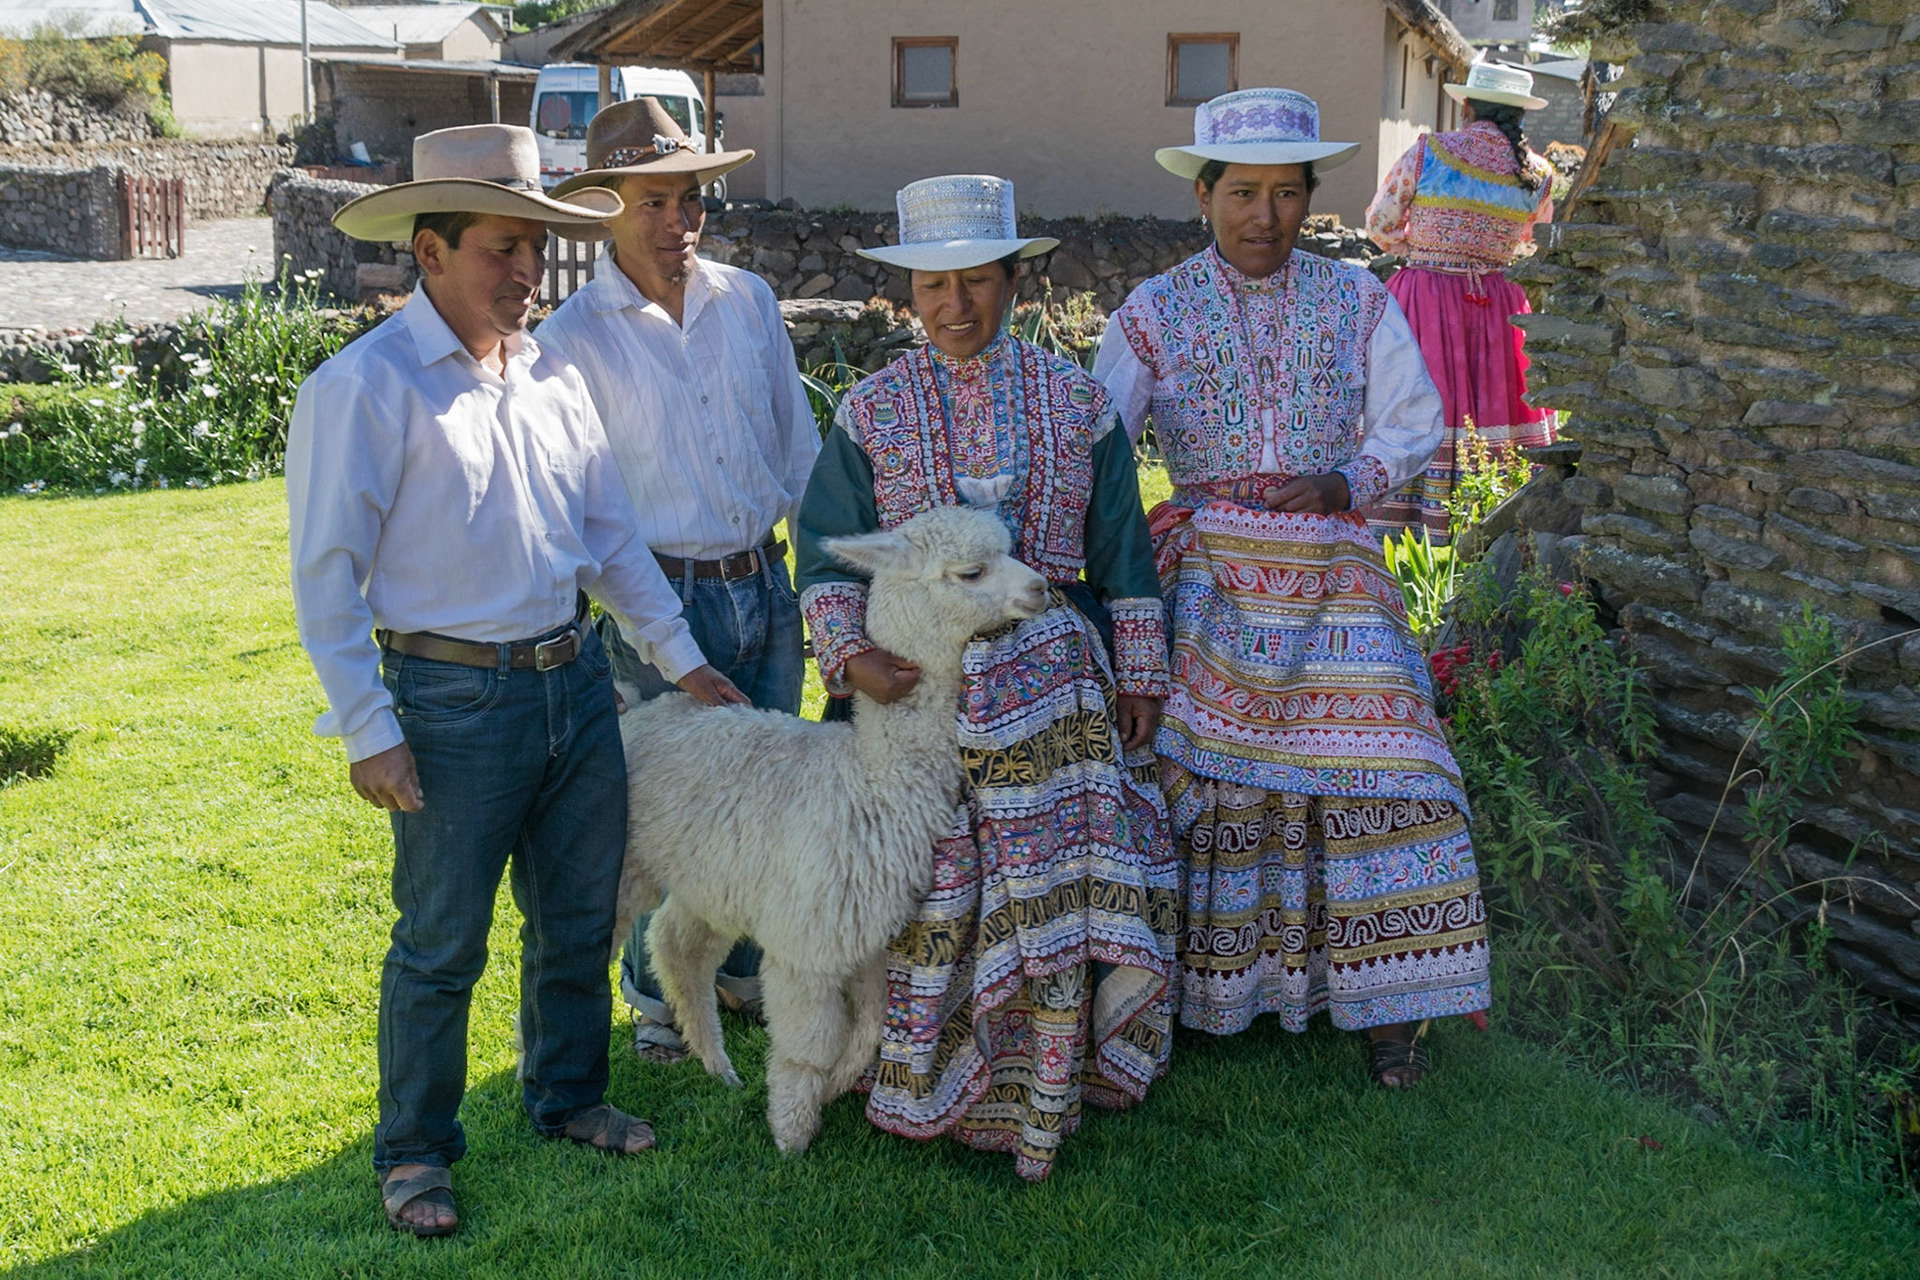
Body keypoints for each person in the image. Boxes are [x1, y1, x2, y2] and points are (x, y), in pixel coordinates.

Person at [286, 124, 745, 1238]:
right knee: (442, 941)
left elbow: (609, 539)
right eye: (502, 248)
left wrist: (682, 662)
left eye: (536, 248)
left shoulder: (548, 378)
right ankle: (414, 1152)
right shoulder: (365, 387)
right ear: (429, 251)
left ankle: (569, 1091)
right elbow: (326, 575)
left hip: (575, 682)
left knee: (579, 916)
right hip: (447, 704)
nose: (528, 271)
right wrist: (367, 726)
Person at [1094, 88, 1491, 1089]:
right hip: (1208, 572)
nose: (1262, 214)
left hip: (1330, 566)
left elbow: (1413, 417)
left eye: (1283, 193)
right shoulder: (1153, 312)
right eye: (1240, 192)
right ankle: (1188, 990)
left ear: (1311, 196)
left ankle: (1391, 1002)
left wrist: (1346, 482)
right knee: (1199, 772)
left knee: (1392, 763)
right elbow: (1100, 446)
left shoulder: (1358, 298)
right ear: (1203, 197)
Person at [795, 174, 1180, 1182]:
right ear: (908, 294)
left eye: (975, 280)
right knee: (927, 885)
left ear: (1016, 279)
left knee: (1051, 879)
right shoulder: (873, 413)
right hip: (914, 696)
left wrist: (1137, 670)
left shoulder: (1079, 403)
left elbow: (1122, 552)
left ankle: (1045, 1078)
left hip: (1054, 694)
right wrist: (850, 656)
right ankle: (919, 1068)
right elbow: (827, 551)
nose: (953, 304)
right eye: (932, 284)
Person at [537, 97, 817, 1064]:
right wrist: (668, 640)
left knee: (764, 799)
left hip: (766, 585)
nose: (678, 222)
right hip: (659, 599)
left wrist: (816, 591)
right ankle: (659, 1005)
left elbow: (800, 453)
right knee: (663, 814)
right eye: (653, 202)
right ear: (607, 207)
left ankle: (736, 971)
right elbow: (587, 515)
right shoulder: (570, 340)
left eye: (691, 198)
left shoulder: (749, 301)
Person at [1364, 60, 1558, 542]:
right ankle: (1492, 522)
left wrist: (1424, 250)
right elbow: (1533, 240)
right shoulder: (1538, 174)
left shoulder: (1430, 152)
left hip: (1425, 297)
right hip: (1498, 304)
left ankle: (1403, 528)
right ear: (1520, 115)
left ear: (1467, 106)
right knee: (1496, 408)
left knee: (1413, 402)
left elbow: (1379, 223)